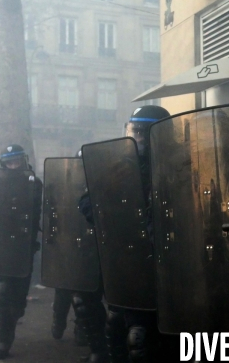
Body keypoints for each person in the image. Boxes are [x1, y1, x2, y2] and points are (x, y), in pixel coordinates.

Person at [80, 105, 170, 362]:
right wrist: (111, 217)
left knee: (156, 336)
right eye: (134, 131)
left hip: (169, 263)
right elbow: (88, 202)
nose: (137, 138)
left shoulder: (176, 165)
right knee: (128, 331)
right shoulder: (119, 167)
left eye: (143, 132)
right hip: (130, 261)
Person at [0, 144, 42, 360]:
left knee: (17, 301)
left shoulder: (34, 184)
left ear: (23, 161)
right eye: (9, 163)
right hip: (1, 248)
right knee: (2, 293)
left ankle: (10, 318)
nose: (13, 166)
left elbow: (38, 211)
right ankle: (3, 342)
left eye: (16, 161)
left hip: (22, 249)